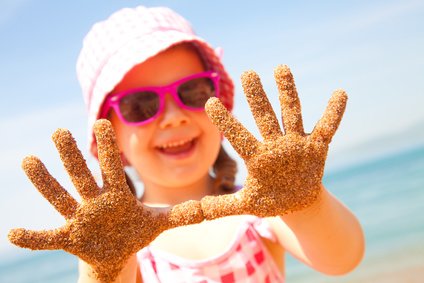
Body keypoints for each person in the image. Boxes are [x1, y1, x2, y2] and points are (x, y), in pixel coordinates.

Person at [15, 5, 365, 283]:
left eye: (193, 92)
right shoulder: (127, 247)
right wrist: (105, 265)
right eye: (140, 105)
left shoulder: (262, 209)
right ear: (110, 138)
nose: (173, 117)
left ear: (219, 108)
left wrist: (305, 200)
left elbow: (342, 258)